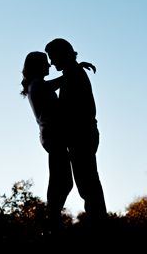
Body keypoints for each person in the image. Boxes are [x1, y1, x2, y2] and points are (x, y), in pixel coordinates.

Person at [44, 38, 107, 219]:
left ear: (61, 55)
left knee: (88, 185)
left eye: (52, 57)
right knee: (88, 184)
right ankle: (99, 223)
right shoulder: (73, 72)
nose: (51, 62)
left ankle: (100, 226)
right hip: (83, 135)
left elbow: (71, 109)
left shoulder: (74, 74)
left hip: (82, 136)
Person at [21, 51, 72, 218]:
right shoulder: (37, 85)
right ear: (37, 66)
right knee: (61, 181)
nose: (49, 65)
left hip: (52, 136)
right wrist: (74, 68)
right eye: (45, 62)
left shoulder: (37, 84)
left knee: (61, 180)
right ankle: (52, 219)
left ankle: (52, 217)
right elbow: (60, 81)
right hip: (52, 136)